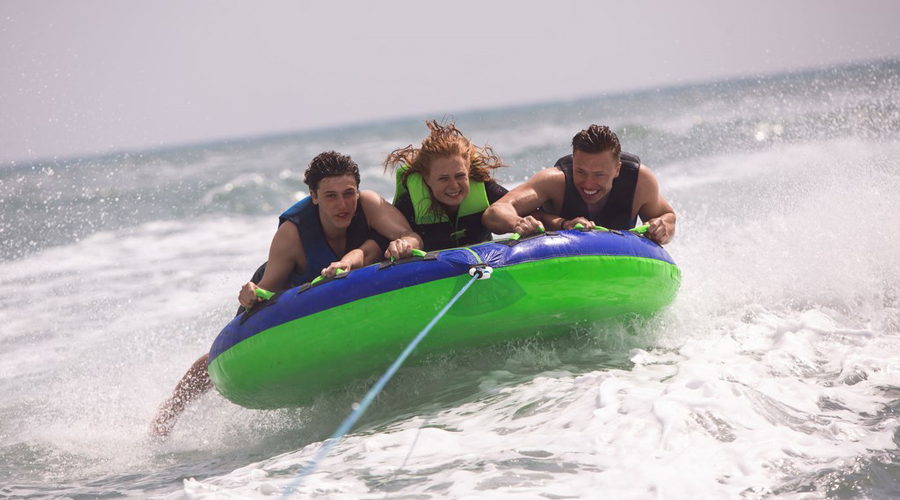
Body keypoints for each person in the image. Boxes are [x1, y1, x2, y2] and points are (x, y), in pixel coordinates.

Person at [151, 151, 423, 438]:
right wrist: (250, 294)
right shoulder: (293, 233)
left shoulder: (368, 205)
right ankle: (170, 410)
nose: (343, 204)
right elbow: (266, 290)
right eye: (330, 196)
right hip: (290, 286)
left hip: (346, 277)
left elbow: (411, 236)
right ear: (314, 196)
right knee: (218, 357)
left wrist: (404, 244)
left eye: (348, 193)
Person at [482, 124, 676, 245]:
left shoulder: (639, 180)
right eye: (580, 172)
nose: (588, 184)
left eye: (599, 175)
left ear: (617, 169)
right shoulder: (554, 181)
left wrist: (662, 228)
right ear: (573, 162)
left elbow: (667, 216)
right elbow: (494, 212)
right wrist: (517, 223)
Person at [383, 120, 513, 251]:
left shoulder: (486, 191)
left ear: (469, 171)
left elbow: (515, 206)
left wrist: (519, 222)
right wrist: (401, 246)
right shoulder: (408, 206)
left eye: (460, 175)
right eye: (443, 179)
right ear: (427, 179)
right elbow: (383, 240)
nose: (454, 185)